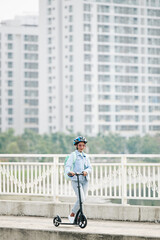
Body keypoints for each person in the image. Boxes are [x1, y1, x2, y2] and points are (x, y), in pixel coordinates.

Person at [65, 136, 92, 223]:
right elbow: (67, 166)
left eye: (83, 145)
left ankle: (79, 216)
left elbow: (90, 167)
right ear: (76, 146)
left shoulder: (85, 156)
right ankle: (72, 214)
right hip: (76, 180)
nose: (82, 147)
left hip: (85, 180)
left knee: (83, 199)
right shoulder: (73, 155)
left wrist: (86, 171)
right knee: (81, 199)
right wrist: (70, 172)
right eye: (80, 145)